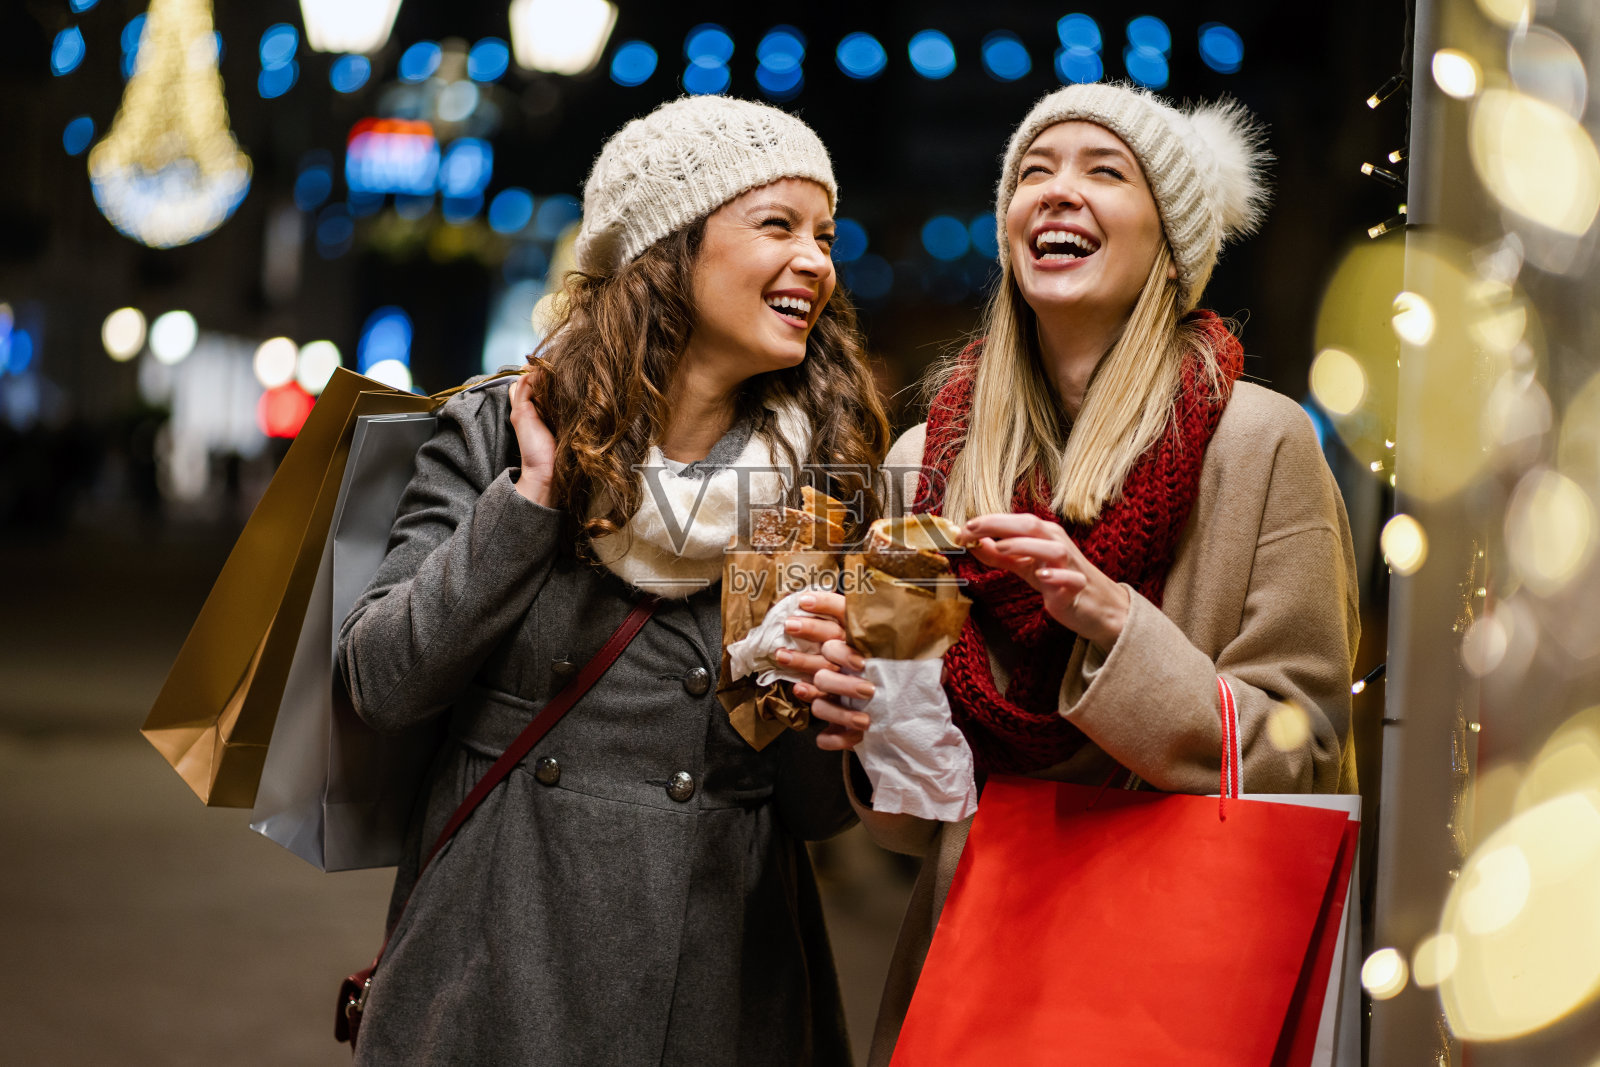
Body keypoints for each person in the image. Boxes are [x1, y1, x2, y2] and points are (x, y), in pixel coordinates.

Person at [797, 82, 1361, 1064]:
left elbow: (1298, 754)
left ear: (1172, 241)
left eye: (1103, 172)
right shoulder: (923, 464)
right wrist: (868, 719)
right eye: (1032, 173)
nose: (1056, 192)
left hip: (1180, 967)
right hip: (976, 955)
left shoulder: (1258, 442)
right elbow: (905, 830)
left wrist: (1109, 618)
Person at [337, 95, 889, 1065]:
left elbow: (816, 810)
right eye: (777, 225)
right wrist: (530, 500)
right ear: (668, 246)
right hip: (498, 967)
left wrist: (838, 711)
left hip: (721, 978)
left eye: (825, 234)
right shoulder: (508, 427)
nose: (816, 260)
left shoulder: (825, 480)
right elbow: (381, 682)